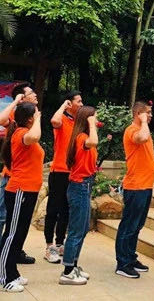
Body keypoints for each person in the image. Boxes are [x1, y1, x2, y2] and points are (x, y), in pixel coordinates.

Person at [0, 83, 38, 272]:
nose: (35, 94)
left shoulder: (31, 118)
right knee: (2, 215)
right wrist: (16, 101)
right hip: (12, 176)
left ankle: (15, 251)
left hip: (26, 179)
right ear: (22, 98)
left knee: (19, 221)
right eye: (31, 93)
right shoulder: (15, 119)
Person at [0, 102, 44, 292]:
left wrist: (35, 119)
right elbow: (34, 136)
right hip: (19, 190)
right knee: (12, 234)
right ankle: (2, 278)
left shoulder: (24, 132)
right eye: (36, 113)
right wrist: (38, 119)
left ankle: (12, 272)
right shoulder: (20, 133)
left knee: (20, 234)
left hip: (29, 190)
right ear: (30, 118)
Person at [115, 101, 154, 278]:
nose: (151, 115)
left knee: (137, 225)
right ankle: (122, 263)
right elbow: (142, 138)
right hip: (135, 186)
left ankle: (130, 257)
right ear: (139, 113)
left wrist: (144, 122)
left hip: (145, 185)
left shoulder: (142, 129)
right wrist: (144, 121)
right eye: (148, 112)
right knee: (129, 225)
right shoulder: (132, 130)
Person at [59, 106, 99, 286]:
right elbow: (94, 141)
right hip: (79, 186)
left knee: (82, 230)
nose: (97, 120)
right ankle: (67, 271)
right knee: (76, 231)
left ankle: (73, 265)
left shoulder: (83, 137)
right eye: (94, 117)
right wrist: (91, 123)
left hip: (84, 185)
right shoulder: (82, 138)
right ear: (87, 119)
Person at [44, 90, 83, 263]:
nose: (81, 104)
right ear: (69, 103)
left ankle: (60, 243)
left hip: (73, 172)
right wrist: (63, 106)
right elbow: (54, 121)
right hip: (59, 171)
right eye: (78, 101)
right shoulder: (62, 120)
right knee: (53, 209)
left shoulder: (78, 123)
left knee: (66, 210)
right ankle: (49, 246)